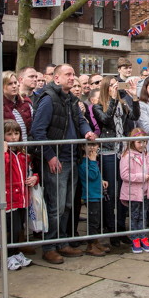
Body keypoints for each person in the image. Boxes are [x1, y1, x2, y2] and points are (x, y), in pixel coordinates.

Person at [30, 64, 97, 264]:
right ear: (56, 78)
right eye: (68, 74)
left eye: (73, 74)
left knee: (68, 204)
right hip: (57, 161)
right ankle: (49, 246)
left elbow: (80, 120)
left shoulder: (71, 100)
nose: (72, 77)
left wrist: (86, 131)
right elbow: (38, 131)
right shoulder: (49, 100)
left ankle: (62, 242)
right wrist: (50, 156)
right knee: (56, 206)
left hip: (71, 158)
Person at [93, 76, 139, 246]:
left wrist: (134, 97)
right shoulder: (98, 105)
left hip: (122, 151)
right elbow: (105, 119)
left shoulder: (122, 103)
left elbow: (135, 115)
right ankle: (111, 230)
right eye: (111, 86)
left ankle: (121, 228)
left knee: (123, 191)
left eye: (116, 85)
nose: (115, 88)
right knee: (111, 193)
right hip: (108, 152)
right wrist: (112, 99)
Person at [0, 120, 37, 270]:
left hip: (22, 197)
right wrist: (4, 152)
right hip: (8, 197)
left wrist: (35, 177)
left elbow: (31, 168)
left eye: (16, 133)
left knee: (19, 227)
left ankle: (16, 252)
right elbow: (1, 169)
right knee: (10, 227)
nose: (13, 137)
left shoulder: (22, 152)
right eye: (9, 134)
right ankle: (9, 255)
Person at [119, 128, 149, 254]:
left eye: (144, 142)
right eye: (139, 142)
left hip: (145, 191)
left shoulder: (145, 155)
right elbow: (124, 175)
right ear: (133, 141)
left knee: (143, 216)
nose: (142, 145)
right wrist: (142, 177)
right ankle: (135, 239)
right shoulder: (127, 156)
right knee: (134, 216)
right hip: (133, 193)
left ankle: (144, 238)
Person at [78, 141, 108, 257]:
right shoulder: (84, 163)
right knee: (93, 222)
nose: (92, 148)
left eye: (94, 145)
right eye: (89, 145)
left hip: (97, 194)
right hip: (91, 196)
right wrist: (93, 161)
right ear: (82, 147)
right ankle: (91, 245)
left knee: (97, 220)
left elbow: (96, 175)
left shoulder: (92, 161)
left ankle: (95, 242)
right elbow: (91, 175)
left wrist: (101, 181)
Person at [0, 71, 33, 143]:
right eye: (10, 84)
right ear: (1, 86)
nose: (14, 86)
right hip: (5, 151)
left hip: (25, 150)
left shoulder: (26, 103)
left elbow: (33, 129)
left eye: (15, 83)